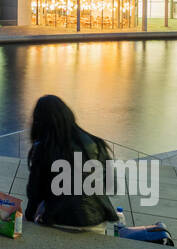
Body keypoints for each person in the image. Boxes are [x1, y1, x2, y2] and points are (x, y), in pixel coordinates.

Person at [23, 94, 118, 232]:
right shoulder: (96, 144)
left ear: (39, 122)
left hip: (58, 222)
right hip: (96, 223)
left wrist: (28, 218)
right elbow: (111, 186)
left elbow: (35, 194)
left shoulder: (43, 148)